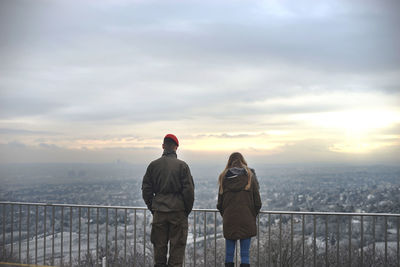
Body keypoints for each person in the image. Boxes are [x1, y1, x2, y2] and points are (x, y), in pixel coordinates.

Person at [142, 134, 195, 267]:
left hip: (159, 212)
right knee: (177, 250)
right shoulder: (182, 166)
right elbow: (189, 192)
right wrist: (185, 211)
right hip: (178, 213)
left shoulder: (153, 166)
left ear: (163, 146)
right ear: (176, 147)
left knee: (159, 250)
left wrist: (153, 206)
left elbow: (146, 189)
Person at [217, 152, 262, 267]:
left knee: (229, 254)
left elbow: (219, 204)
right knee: (245, 255)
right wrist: (251, 215)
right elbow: (258, 203)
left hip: (229, 220)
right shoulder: (250, 177)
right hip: (246, 219)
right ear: (243, 161)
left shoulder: (223, 178)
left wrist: (227, 214)